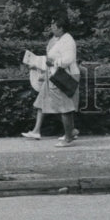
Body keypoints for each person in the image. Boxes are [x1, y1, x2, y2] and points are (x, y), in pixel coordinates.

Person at [21, 15, 80, 146]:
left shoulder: (67, 40)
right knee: (61, 105)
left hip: (65, 75)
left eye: (54, 25)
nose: (51, 27)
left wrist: (52, 62)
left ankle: (68, 137)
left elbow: (68, 59)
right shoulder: (59, 39)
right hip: (56, 74)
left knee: (65, 106)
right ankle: (70, 132)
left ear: (61, 28)